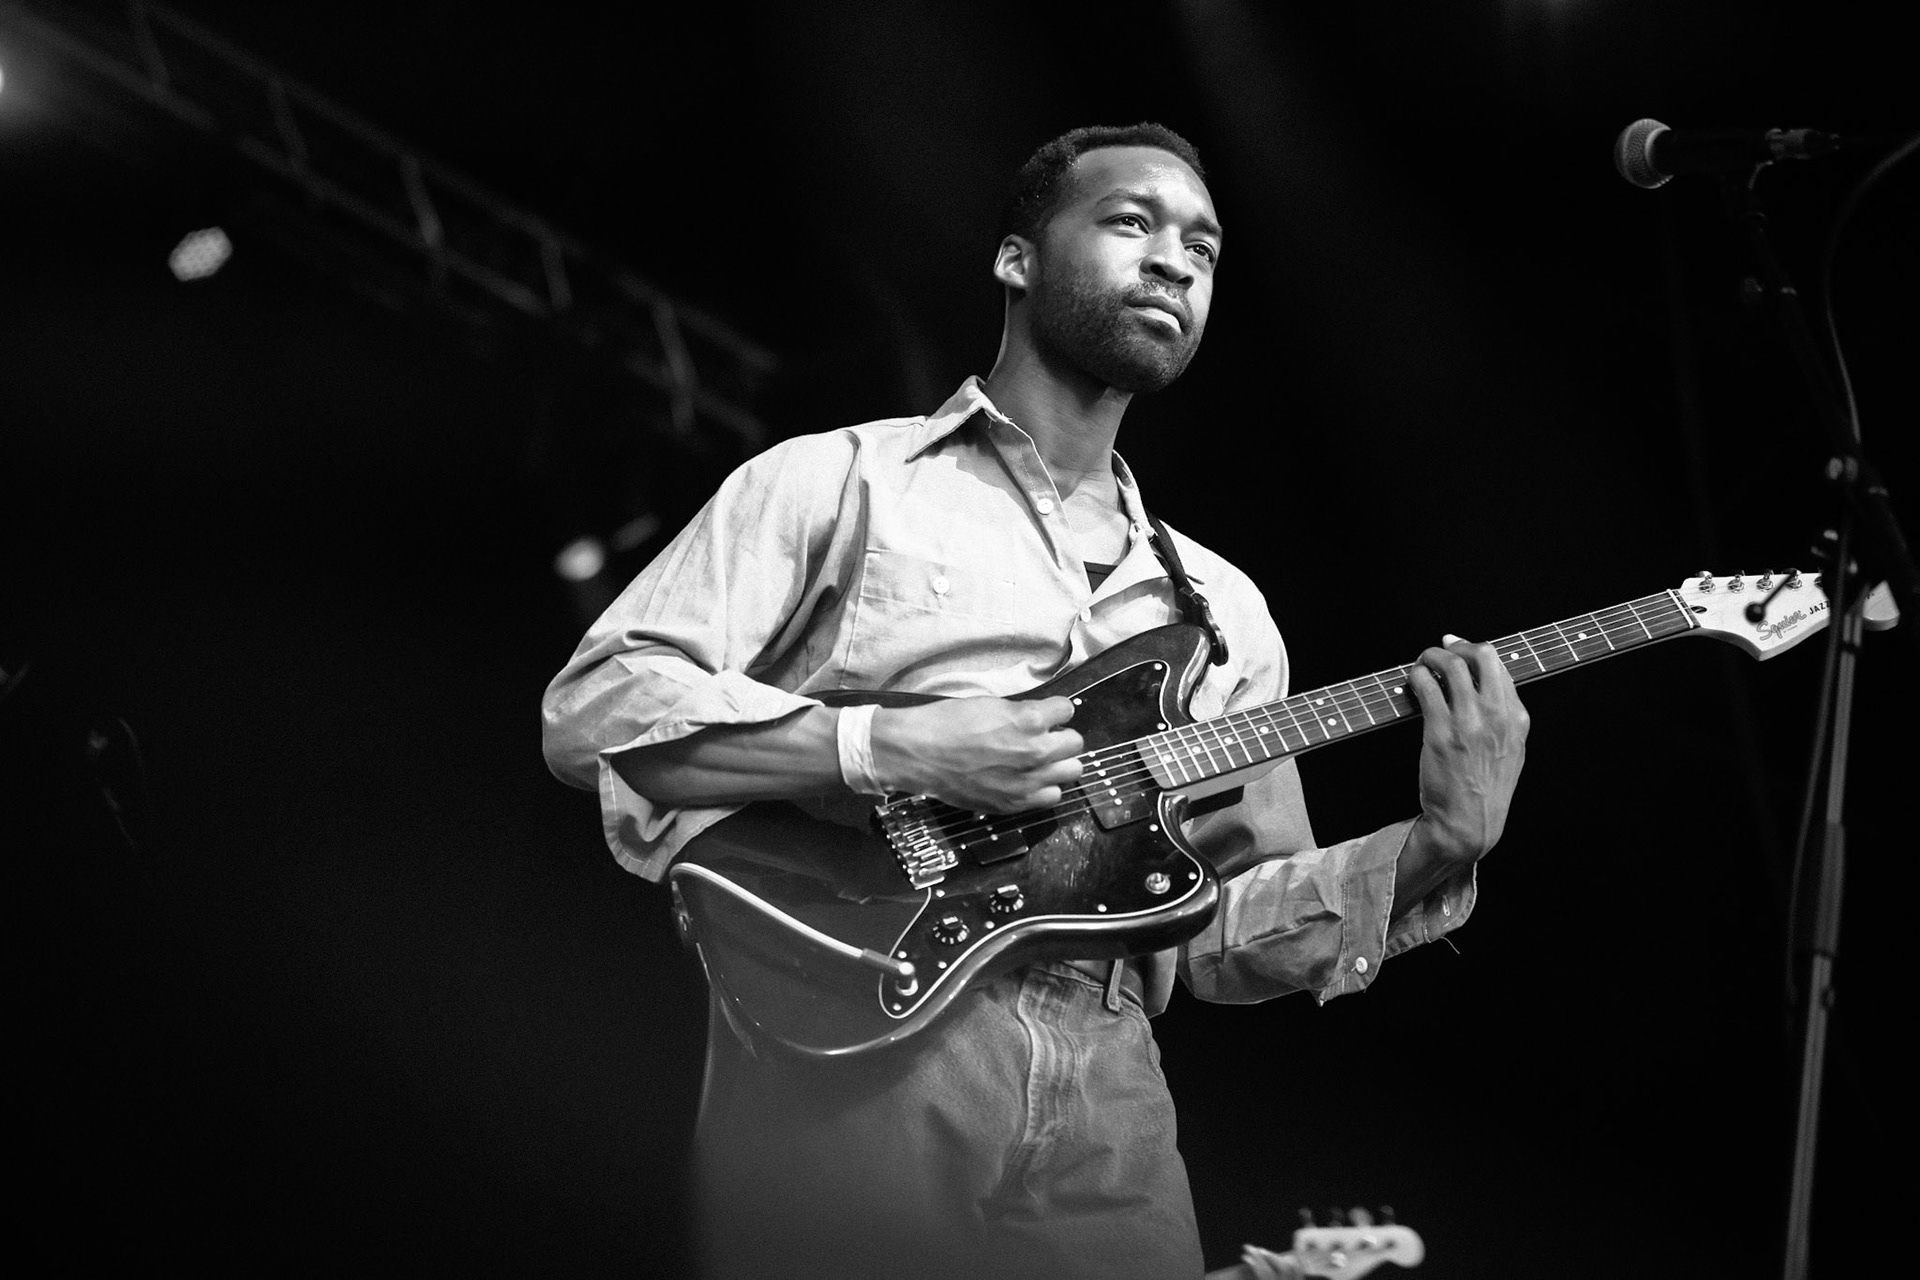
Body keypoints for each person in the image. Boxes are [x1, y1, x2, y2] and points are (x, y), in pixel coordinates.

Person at [541, 122, 1528, 1280]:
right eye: (1131, 223)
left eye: (1203, 249)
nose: (1175, 262)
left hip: (1111, 1077)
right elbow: (598, 707)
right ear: (1016, 259)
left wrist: (1434, 847)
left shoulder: (1223, 609)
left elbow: (1216, 929)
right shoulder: (841, 481)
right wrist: (889, 744)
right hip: (869, 1031)